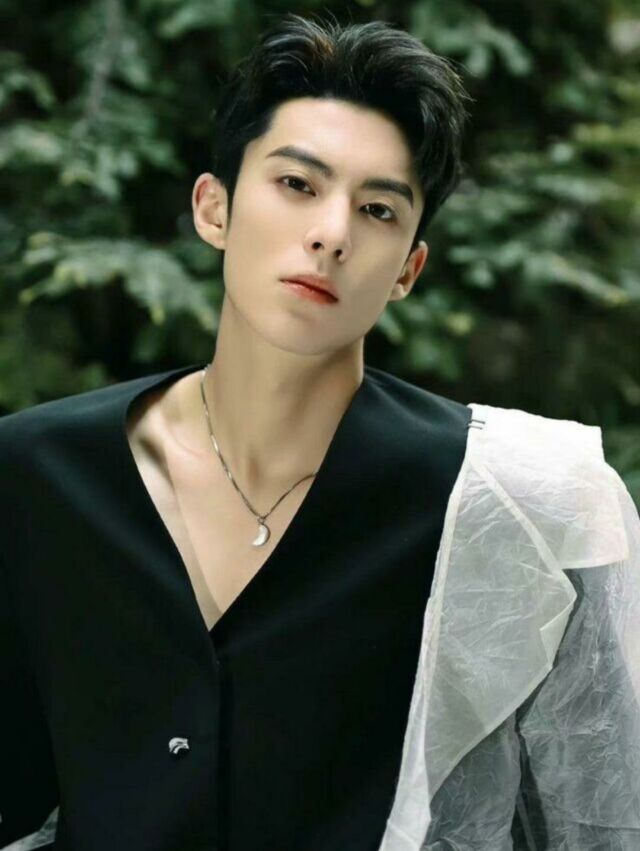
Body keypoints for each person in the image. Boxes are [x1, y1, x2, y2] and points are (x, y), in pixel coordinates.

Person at [2, 11, 639, 851]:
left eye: (377, 209)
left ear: (409, 268)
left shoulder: (505, 506)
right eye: (298, 184)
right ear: (214, 208)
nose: (332, 233)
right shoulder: (39, 473)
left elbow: (604, 820)